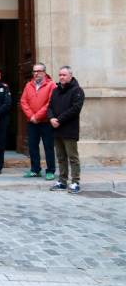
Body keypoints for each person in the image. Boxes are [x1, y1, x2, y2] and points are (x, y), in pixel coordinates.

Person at [48, 66, 85, 194]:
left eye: (64, 75)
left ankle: (75, 182)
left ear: (70, 75)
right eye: (60, 75)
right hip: (57, 129)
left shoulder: (77, 90)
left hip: (69, 129)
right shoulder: (56, 90)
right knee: (61, 157)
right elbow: (50, 106)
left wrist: (59, 120)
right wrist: (51, 118)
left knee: (72, 157)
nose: (61, 77)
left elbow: (75, 109)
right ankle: (62, 181)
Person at [20, 63, 57, 180]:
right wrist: (31, 116)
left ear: (44, 72)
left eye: (38, 71)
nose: (36, 73)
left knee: (48, 146)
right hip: (32, 122)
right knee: (32, 146)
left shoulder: (51, 85)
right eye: (34, 71)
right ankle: (35, 169)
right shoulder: (28, 85)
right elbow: (23, 101)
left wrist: (38, 116)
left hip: (45, 122)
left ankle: (50, 170)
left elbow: (50, 103)